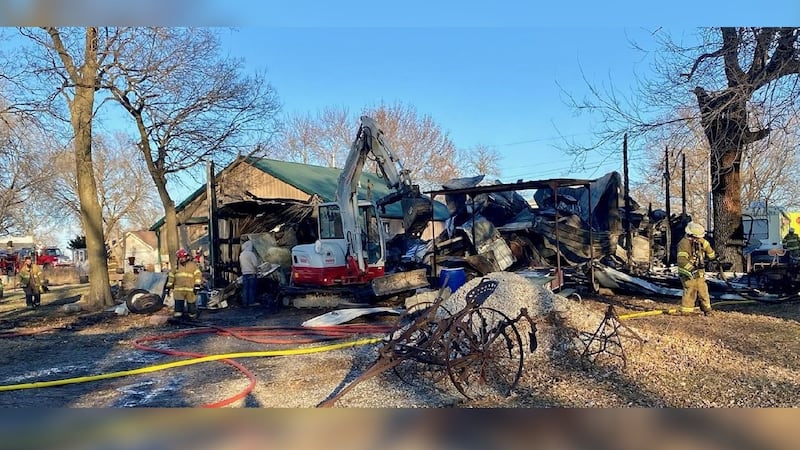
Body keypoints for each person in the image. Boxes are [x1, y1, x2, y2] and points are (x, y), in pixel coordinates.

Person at [676, 222, 718, 316]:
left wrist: (714, 258)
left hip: (699, 271)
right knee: (691, 290)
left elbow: (708, 249)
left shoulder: (700, 241)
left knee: (703, 290)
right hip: (687, 272)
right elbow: (681, 260)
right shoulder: (684, 244)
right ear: (692, 236)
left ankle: (707, 310)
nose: (700, 239)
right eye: (698, 237)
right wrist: (691, 269)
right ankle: (686, 312)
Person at [166, 248, 203, 319]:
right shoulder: (175, 267)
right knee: (178, 309)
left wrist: (197, 285)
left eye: (183, 257)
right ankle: (178, 318)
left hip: (190, 290)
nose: (181, 259)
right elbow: (171, 277)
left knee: (191, 306)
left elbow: (198, 275)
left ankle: (192, 317)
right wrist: (168, 286)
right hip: (178, 291)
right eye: (180, 258)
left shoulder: (193, 266)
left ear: (187, 257)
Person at [239, 238, 259, 307]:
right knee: (251, 289)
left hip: (244, 273)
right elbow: (255, 264)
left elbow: (241, 265)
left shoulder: (241, 255)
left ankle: (245, 303)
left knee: (245, 289)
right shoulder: (251, 254)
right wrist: (257, 272)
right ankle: (251, 302)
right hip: (251, 273)